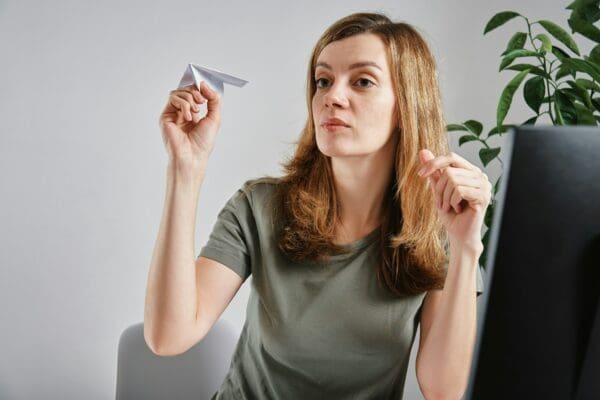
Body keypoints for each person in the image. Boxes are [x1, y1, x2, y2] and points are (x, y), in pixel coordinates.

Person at [144, 12, 491, 400]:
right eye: (323, 81)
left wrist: (466, 247)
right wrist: (185, 169)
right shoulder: (259, 207)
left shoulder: (440, 230)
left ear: (406, 106)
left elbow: (444, 390)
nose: (332, 96)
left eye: (362, 81)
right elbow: (167, 337)